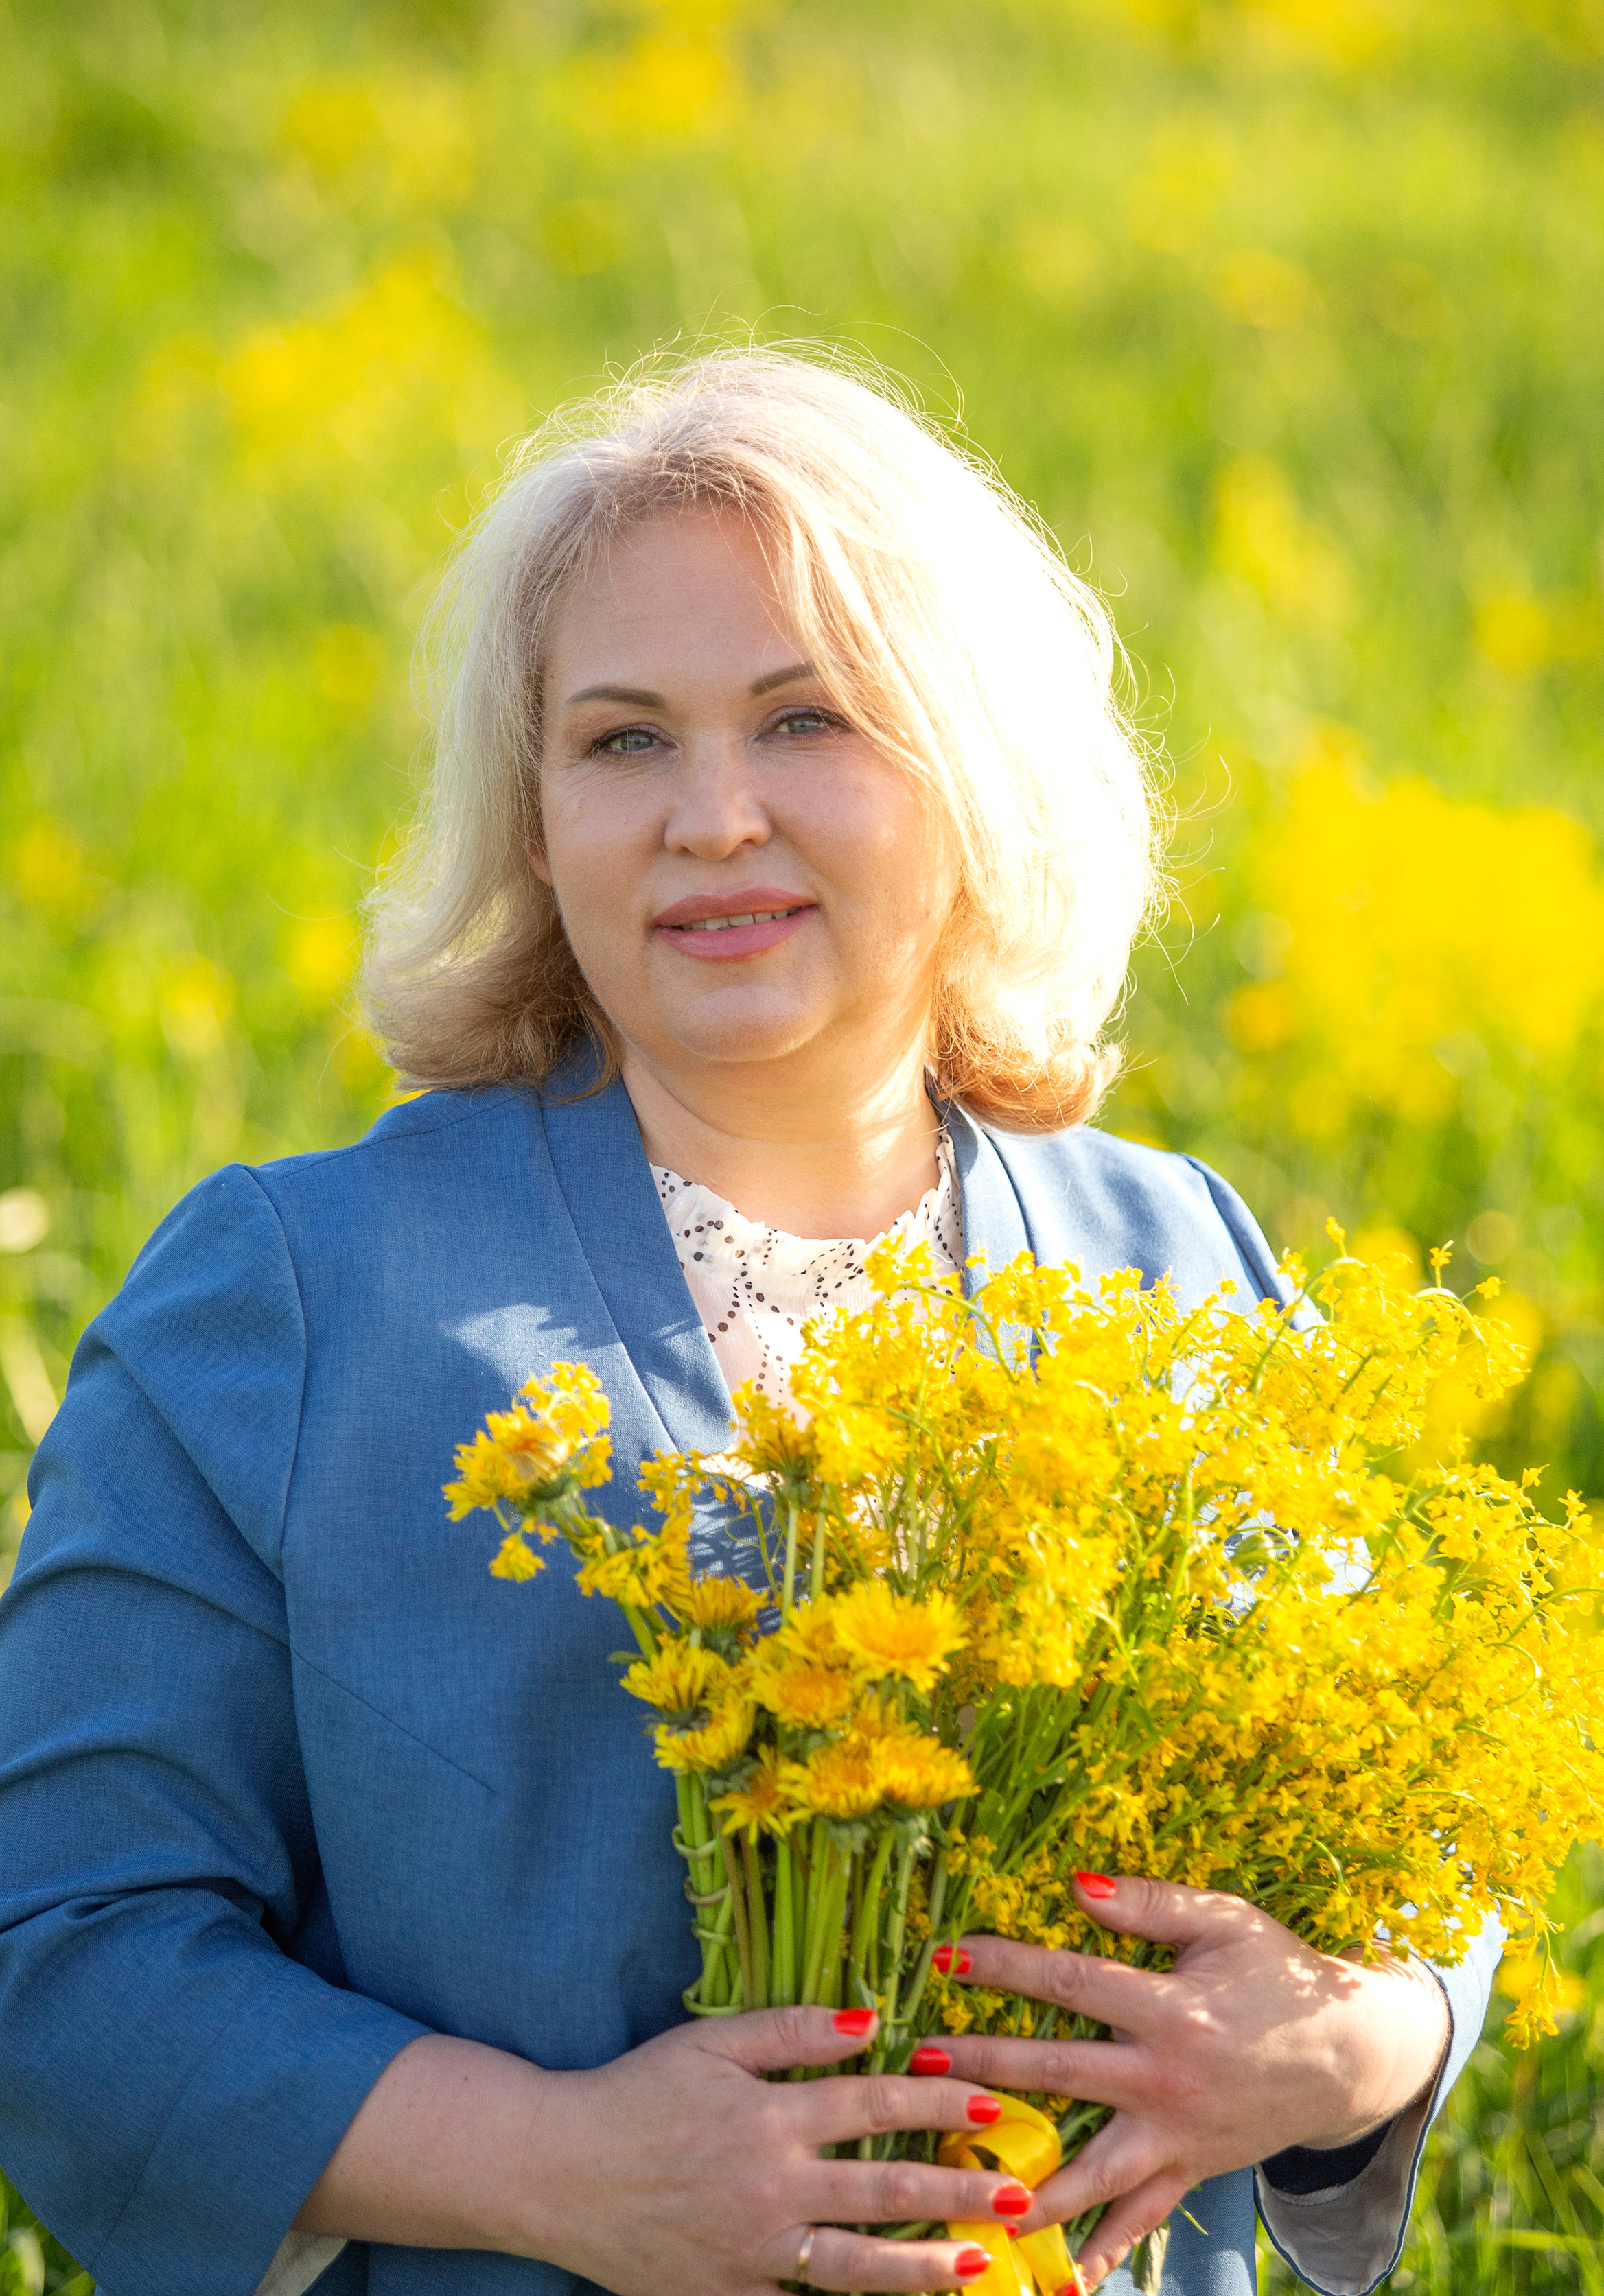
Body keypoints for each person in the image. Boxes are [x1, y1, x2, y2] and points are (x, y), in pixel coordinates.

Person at [0, 351, 1496, 2296]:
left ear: (971, 771)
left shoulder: (1180, 1258)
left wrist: (1349, 2039)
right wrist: (560, 2167)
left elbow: (1421, 1850)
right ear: (535, 821)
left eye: (807, 720)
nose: (713, 816)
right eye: (622, 742)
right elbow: (64, 1944)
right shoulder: (284, 1296)